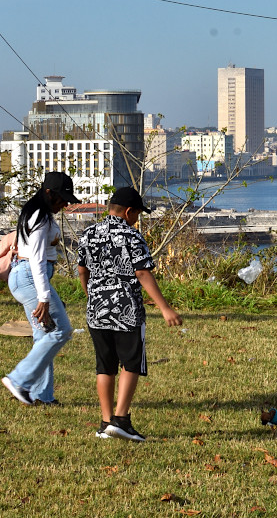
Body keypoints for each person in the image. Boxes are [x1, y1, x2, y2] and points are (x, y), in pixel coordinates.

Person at [78, 187, 182, 441]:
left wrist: (91, 294)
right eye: (137, 214)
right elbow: (143, 273)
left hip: (96, 311)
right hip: (126, 311)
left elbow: (82, 270)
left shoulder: (88, 234)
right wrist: (165, 307)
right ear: (128, 212)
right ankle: (121, 419)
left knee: (105, 366)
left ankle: (105, 423)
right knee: (131, 363)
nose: (137, 219)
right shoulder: (132, 236)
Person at [1, 172, 79, 407]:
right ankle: (19, 380)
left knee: (44, 334)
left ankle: (42, 395)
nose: (65, 204)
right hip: (30, 276)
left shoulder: (38, 213)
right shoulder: (40, 217)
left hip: (27, 276)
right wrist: (44, 298)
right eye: (62, 199)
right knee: (61, 330)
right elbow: (35, 259)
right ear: (48, 193)